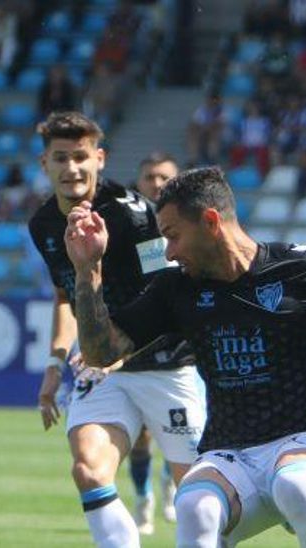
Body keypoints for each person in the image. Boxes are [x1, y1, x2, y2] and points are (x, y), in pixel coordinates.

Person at [65, 166, 306, 547]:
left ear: (211, 221)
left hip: (302, 440)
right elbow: (101, 353)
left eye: (173, 236)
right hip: (227, 453)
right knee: (194, 506)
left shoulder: (304, 267)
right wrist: (88, 271)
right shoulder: (175, 289)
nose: (168, 251)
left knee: (296, 486)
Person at [27, 112, 207, 545]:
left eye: (81, 157)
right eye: (61, 158)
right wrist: (55, 360)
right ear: (44, 165)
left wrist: (114, 348)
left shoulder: (135, 215)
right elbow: (67, 296)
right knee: (88, 468)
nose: (72, 168)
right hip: (106, 372)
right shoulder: (43, 224)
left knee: (197, 493)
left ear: (100, 159)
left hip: (165, 365)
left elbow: (166, 289)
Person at [129, 150, 184, 526]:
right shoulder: (122, 226)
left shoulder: (192, 223)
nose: (157, 183)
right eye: (150, 177)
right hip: (138, 341)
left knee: (178, 434)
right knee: (140, 438)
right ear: (138, 183)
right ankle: (143, 495)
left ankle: (169, 486)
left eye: (165, 177)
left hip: (184, 346)